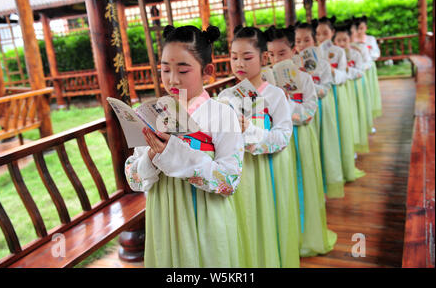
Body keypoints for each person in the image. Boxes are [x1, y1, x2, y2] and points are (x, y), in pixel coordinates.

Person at [124, 25, 244, 267]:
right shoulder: (154, 113)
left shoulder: (222, 114)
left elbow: (229, 180)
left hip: (206, 215)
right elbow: (134, 178)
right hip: (164, 217)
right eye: (165, 69)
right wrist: (150, 156)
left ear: (207, 71)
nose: (172, 79)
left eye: (183, 69)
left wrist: (174, 154)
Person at [218, 26, 296, 267]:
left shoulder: (275, 95)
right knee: (245, 221)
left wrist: (250, 131)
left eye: (247, 57)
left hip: (268, 171)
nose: (239, 63)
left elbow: (283, 136)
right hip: (240, 173)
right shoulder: (225, 96)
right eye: (233, 57)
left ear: (263, 58)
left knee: (269, 220)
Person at [266, 25, 336, 257]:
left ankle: (306, 234)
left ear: (293, 50)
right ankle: (285, 235)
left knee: (302, 182)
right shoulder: (266, 82)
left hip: (300, 138)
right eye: (271, 55)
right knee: (282, 187)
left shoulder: (304, 78)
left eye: (282, 54)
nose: (276, 59)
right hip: (278, 141)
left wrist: (285, 103)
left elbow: (308, 112)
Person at [295, 22, 345, 199]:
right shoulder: (291, 67)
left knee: (324, 147)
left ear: (314, 40)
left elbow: (325, 90)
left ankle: (324, 186)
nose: (302, 45)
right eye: (298, 41)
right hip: (301, 113)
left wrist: (306, 84)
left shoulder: (323, 64)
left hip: (321, 111)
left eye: (306, 40)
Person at [316, 17, 364, 185]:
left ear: (332, 33)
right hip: (320, 97)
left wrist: (331, 70)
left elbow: (344, 74)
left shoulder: (339, 52)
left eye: (325, 33)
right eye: (318, 34)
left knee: (340, 128)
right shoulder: (313, 52)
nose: (322, 37)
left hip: (336, 93)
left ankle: (344, 163)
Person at [333, 23, 370, 154]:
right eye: (338, 40)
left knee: (354, 117)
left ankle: (354, 145)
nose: (342, 43)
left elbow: (360, 72)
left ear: (350, 39)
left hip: (353, 89)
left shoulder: (356, 54)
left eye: (345, 40)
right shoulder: (332, 56)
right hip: (339, 91)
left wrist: (347, 70)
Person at [355, 15, 382, 119]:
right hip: (357, 69)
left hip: (369, 68)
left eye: (362, 28)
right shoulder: (352, 41)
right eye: (357, 29)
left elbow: (376, 54)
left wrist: (366, 53)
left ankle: (370, 115)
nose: (359, 31)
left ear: (366, 28)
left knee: (370, 90)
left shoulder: (370, 39)